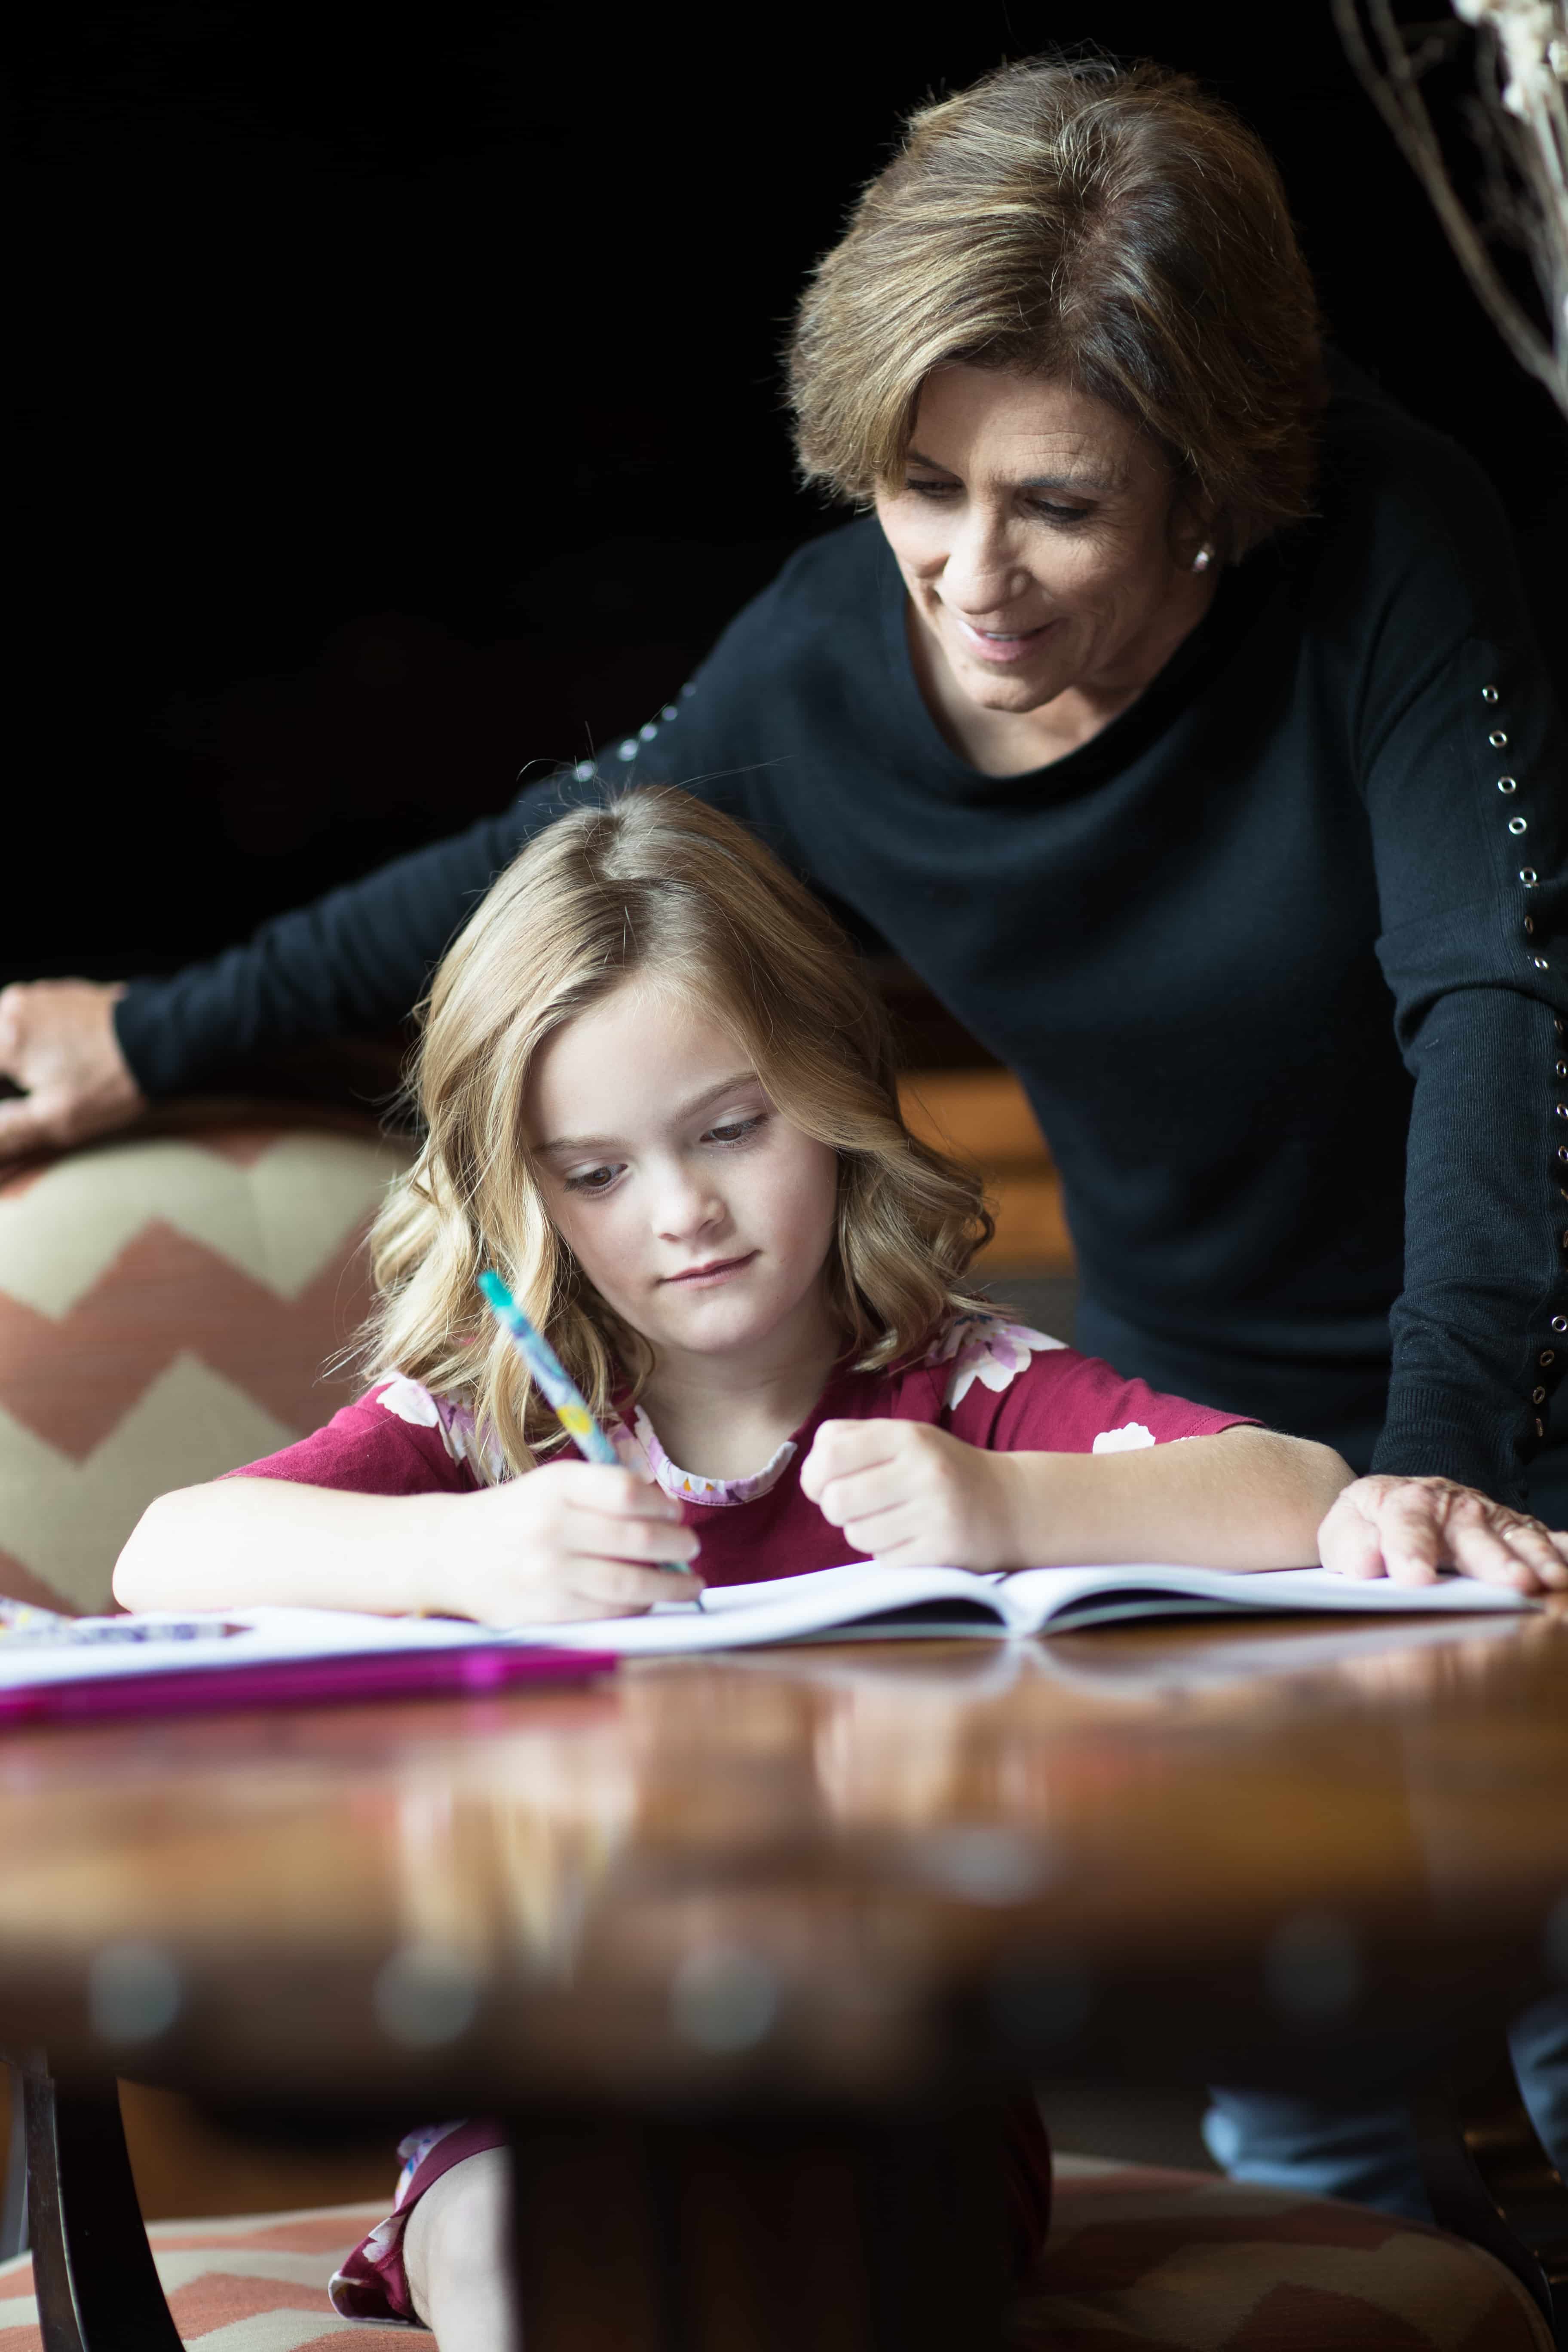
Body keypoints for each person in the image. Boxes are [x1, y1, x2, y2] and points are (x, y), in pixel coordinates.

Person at [20, 51, 1568, 2207]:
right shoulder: (838, 658)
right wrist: (157, 1035)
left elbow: (1491, 994)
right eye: (923, 488)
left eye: (1062, 502)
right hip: (1207, 1435)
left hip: (1482, 1392)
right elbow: (538, 859)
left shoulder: (1396, 546)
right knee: (1314, 2089)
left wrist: (1444, 1451)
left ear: (1221, 478)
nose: (971, 577)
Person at [114, 790, 1354, 2343]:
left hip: (903, 2093)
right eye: (596, 1173)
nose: (683, 1213)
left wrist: (1009, 1508)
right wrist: (462, 1546)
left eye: (729, 1131)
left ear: (830, 1099)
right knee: (527, 2258)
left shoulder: (957, 1393)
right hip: (537, 2095)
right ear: (516, 1197)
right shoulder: (491, 1432)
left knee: (831, 2271)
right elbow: (165, 1555)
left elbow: (1294, 1489)